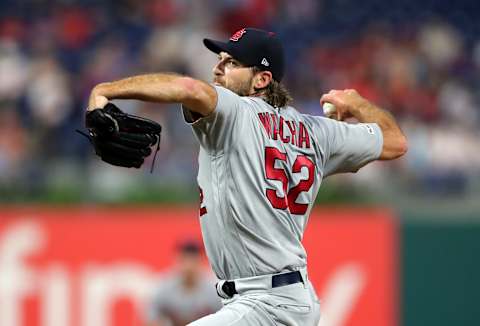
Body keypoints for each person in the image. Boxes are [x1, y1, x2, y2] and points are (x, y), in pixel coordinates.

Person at [88, 27, 407, 325]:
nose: (218, 69)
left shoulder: (235, 111)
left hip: (267, 301)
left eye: (231, 63)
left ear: (262, 79)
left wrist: (106, 89)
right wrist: (358, 104)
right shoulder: (319, 133)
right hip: (279, 299)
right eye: (219, 60)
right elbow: (394, 142)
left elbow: (187, 88)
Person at [145, 240, 221, 326]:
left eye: (193, 259)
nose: (189, 264)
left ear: (201, 260)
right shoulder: (164, 285)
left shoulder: (214, 288)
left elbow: (224, 318)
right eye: (185, 258)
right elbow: (152, 318)